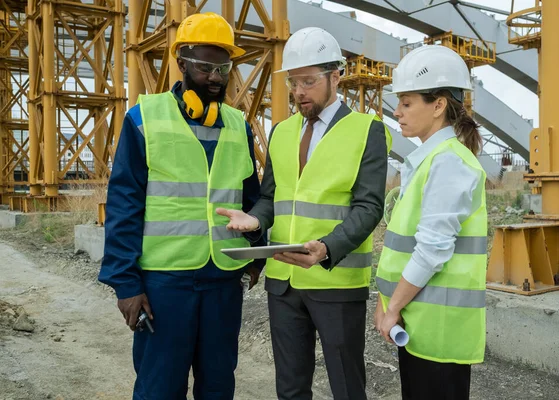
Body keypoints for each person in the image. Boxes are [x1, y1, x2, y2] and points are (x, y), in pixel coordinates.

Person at [98, 12, 266, 400]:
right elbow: (124, 203)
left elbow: (253, 200)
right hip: (163, 284)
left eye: (223, 67)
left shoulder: (239, 124)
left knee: (219, 385)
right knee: (160, 387)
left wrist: (256, 256)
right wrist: (125, 283)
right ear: (182, 63)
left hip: (223, 280)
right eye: (205, 66)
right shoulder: (145, 118)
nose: (216, 77)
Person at [217, 27, 391, 400]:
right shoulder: (281, 132)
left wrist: (327, 248)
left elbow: (369, 207)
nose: (299, 92)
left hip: (336, 282)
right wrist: (256, 219)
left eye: (308, 82)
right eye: (293, 83)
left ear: (335, 76)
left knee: (347, 387)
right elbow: (271, 196)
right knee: (291, 388)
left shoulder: (367, 131)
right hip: (282, 281)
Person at [374, 44, 488, 400]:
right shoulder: (432, 159)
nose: (397, 112)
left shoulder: (449, 162)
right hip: (419, 324)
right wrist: (387, 303)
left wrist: (392, 307)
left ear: (438, 105)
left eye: (407, 103)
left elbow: (432, 250)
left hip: (438, 332)